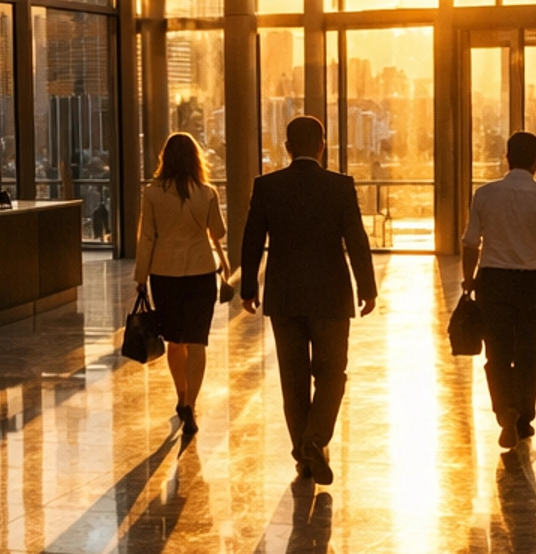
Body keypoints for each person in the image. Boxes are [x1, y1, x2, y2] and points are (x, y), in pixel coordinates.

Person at [239, 115, 377, 486]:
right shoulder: (340, 186)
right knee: (332, 374)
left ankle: (304, 457)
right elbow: (356, 240)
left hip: (284, 295)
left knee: (293, 379)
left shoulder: (267, 186)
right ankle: (315, 439)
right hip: (331, 295)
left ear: (287, 147)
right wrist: (367, 288)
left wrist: (248, 288)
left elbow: (252, 240)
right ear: (322, 145)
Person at [461, 130, 536, 452]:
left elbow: (471, 243)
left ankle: (505, 412)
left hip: (493, 282)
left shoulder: (484, 195)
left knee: (497, 353)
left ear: (507, 158)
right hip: (532, 285)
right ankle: (524, 418)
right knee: (529, 354)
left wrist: (468, 280)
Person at [134, 132, 230, 439]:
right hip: (201, 272)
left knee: (175, 341)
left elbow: (147, 237)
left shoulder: (152, 193)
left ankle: (181, 396)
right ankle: (191, 404)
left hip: (164, 274)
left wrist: (140, 276)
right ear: (195, 158)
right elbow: (219, 232)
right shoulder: (207, 192)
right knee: (197, 342)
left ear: (165, 158)